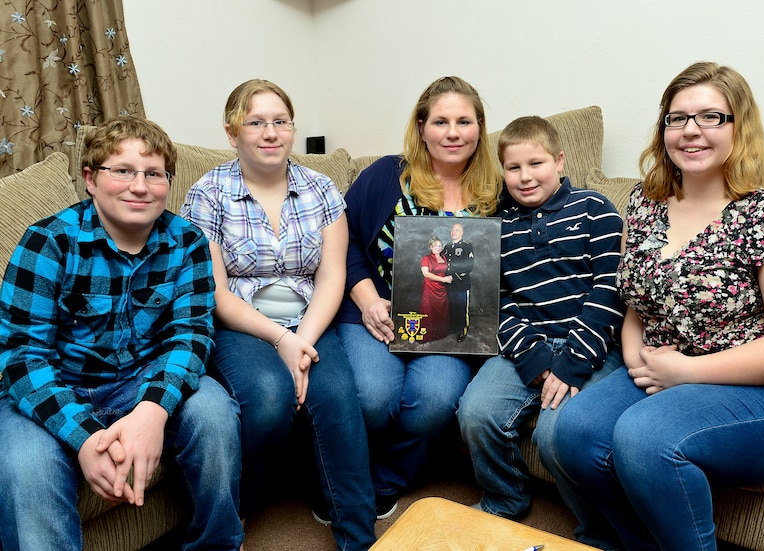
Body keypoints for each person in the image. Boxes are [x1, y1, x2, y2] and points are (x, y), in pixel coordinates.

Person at [553, 61, 764, 551]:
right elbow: (636, 296)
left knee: (645, 437)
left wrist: (687, 373)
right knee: (573, 433)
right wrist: (634, 351)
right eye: (677, 118)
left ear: (739, 128)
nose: (690, 130)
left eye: (711, 117)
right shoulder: (646, 201)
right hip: (664, 369)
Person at [0, 115, 244, 550]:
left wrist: (152, 410)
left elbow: (191, 337)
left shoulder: (188, 241)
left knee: (214, 412)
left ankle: (218, 544)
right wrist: (86, 437)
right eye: (123, 171)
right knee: (25, 464)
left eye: (154, 174)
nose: (140, 186)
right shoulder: (47, 243)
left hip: (141, 380)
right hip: (56, 386)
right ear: (91, 180)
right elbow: (22, 357)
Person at [180, 79, 375, 550]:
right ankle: (246, 497)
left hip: (311, 319)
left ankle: (358, 537)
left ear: (291, 129)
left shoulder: (321, 188)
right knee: (267, 397)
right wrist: (280, 340)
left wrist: (302, 340)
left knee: (337, 401)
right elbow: (214, 291)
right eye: (256, 122)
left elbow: (332, 276)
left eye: (280, 122)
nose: (270, 133)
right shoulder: (208, 193)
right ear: (232, 133)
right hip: (241, 322)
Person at [336, 76, 502, 513]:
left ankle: (385, 481)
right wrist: (367, 298)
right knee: (373, 398)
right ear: (422, 127)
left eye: (464, 121)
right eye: (441, 121)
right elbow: (346, 242)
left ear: (480, 128)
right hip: (374, 313)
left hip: (447, 324)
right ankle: (341, 477)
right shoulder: (386, 175)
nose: (453, 132)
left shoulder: (497, 192)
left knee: (435, 401)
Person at [457, 116, 625, 523]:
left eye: (537, 164)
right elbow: (493, 299)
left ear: (560, 160)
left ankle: (596, 527)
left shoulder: (595, 209)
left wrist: (571, 362)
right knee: (475, 414)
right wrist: (529, 355)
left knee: (556, 437)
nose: (525, 177)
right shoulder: (496, 225)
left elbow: (612, 289)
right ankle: (505, 498)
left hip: (592, 347)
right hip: (525, 344)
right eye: (513, 168)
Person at [443, 222, 474, 341]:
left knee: (462, 306)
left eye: (456, 230)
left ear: (462, 233)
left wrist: (456, 274)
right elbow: (443, 263)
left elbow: (469, 264)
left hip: (461, 281)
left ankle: (462, 330)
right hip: (450, 282)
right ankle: (453, 327)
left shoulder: (466, 246)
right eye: (452, 229)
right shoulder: (447, 246)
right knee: (452, 305)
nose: (453, 232)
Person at [419, 236, 452, 342]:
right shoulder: (426, 258)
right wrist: (444, 280)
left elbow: (447, 270)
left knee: (442, 311)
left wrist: (450, 277)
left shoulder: (444, 257)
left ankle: (440, 334)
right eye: (436, 246)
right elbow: (426, 274)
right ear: (431, 247)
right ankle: (428, 336)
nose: (438, 248)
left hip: (442, 289)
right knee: (429, 311)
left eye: (440, 246)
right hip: (430, 288)